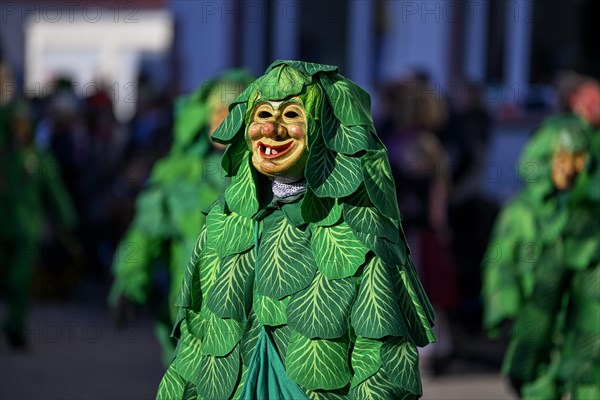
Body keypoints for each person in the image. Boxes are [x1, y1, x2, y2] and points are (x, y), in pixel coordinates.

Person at [156, 60, 435, 399]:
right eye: (261, 115)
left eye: (291, 115)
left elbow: (380, 360)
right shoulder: (224, 221)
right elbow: (197, 342)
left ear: (325, 129)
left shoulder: (362, 233)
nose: (272, 129)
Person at [109, 70, 253, 365]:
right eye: (218, 111)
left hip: (250, 326)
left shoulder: (273, 176)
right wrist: (129, 282)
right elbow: (145, 234)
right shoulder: (178, 174)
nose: (226, 121)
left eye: (236, 112)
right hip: (189, 324)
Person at [482, 77, 599, 399]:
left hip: (580, 322)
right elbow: (500, 258)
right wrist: (503, 302)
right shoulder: (523, 211)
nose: (570, 169)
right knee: (537, 376)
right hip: (537, 315)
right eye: (560, 159)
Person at [0, 98, 77, 348]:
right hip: (4, 228)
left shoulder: (39, 159)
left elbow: (54, 190)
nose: (18, 130)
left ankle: (16, 327)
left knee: (20, 280)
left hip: (27, 230)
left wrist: (67, 218)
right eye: (13, 125)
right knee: (7, 278)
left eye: (22, 124)